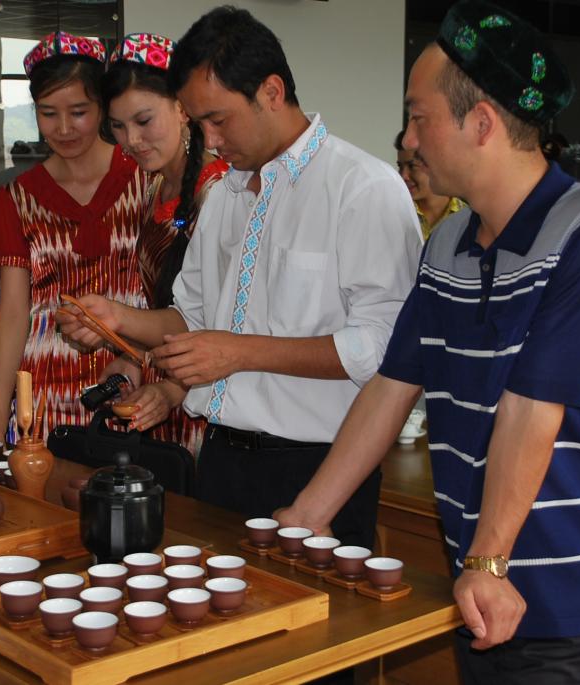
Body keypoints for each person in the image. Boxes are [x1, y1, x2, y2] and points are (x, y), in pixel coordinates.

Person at [277, 2, 580, 682]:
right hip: (482, 582)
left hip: (571, 588)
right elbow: (393, 382)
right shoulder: (449, 241)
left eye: (419, 118)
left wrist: (488, 560)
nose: (408, 139)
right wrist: (308, 514)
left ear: (481, 123)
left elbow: (533, 406)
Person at [59, 7, 421, 553]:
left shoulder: (362, 188)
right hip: (221, 459)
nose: (208, 138)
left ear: (271, 92)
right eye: (197, 121)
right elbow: (192, 318)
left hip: (320, 466)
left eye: (218, 120)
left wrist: (238, 352)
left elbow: (384, 347)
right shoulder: (227, 195)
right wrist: (118, 318)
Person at [0, 32, 150, 445]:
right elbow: (15, 310)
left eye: (79, 112)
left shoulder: (144, 178)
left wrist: (138, 356)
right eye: (48, 113)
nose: (63, 128)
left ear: (102, 107)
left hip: (138, 377)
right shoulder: (16, 198)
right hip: (46, 389)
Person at [101, 32, 229, 456]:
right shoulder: (154, 186)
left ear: (181, 107)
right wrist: (133, 357)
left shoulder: (219, 191)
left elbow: (225, 323)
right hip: (162, 392)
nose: (131, 140)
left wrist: (174, 389)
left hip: (202, 399)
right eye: (118, 126)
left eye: (143, 121)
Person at [394, 129, 464, 240]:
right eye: (400, 166)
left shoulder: (468, 218)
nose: (403, 176)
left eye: (412, 166)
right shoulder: (394, 214)